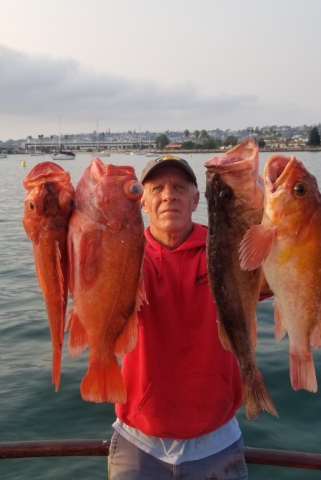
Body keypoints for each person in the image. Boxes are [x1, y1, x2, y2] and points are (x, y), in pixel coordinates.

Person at [108, 155, 266, 480]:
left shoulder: (226, 249)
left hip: (217, 441)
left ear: (196, 199)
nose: (169, 195)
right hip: (138, 443)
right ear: (143, 202)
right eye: (158, 188)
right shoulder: (123, 257)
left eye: (179, 186)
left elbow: (276, 271)